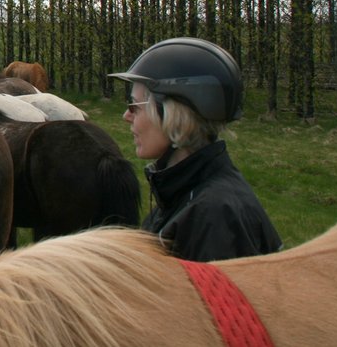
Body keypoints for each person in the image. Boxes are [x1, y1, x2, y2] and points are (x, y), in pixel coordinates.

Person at [109, 37, 282, 262]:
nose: (126, 116)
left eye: (134, 106)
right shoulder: (183, 195)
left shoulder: (214, 218)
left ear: (173, 115)